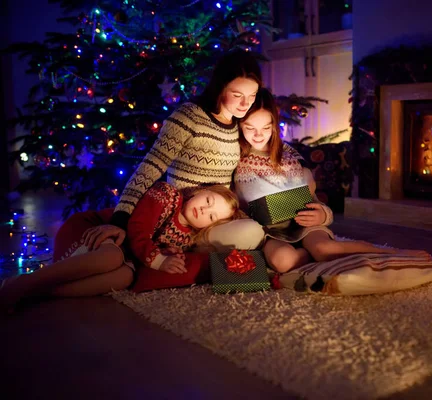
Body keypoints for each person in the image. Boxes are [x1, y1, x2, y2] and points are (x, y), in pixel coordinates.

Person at [84, 49, 265, 254]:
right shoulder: (189, 117)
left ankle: (300, 237)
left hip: (220, 218)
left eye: (252, 96)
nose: (245, 104)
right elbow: (150, 167)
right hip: (184, 221)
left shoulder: (240, 124)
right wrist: (120, 219)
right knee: (252, 233)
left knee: (270, 224)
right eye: (237, 95)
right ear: (220, 87)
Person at [0, 182, 244, 312]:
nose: (204, 210)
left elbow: (146, 256)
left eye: (211, 217)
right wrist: (158, 259)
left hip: (123, 252)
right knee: (111, 258)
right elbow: (138, 230)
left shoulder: (188, 238)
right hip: (96, 229)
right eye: (209, 201)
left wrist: (167, 253)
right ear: (201, 191)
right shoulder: (167, 195)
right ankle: (20, 284)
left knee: (125, 277)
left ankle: (35, 293)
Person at [234, 88, 399, 273]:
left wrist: (323, 214)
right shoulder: (236, 156)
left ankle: (388, 253)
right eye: (250, 128)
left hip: (304, 225)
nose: (259, 135)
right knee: (283, 262)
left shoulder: (288, 155)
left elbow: (310, 197)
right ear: (240, 125)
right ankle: (313, 257)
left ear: (273, 125)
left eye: (265, 128)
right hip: (271, 234)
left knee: (324, 249)